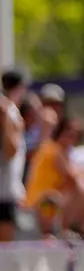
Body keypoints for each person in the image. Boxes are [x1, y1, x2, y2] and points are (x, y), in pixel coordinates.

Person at [0, 71, 26, 241]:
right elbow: (11, 152)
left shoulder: (9, 110)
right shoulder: (7, 111)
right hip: (4, 193)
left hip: (8, 192)